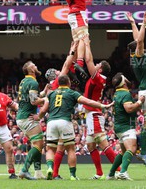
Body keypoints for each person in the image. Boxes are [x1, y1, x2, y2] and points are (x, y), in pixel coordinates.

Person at [34, 75, 113, 181]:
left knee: (50, 149)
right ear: (68, 83)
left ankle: (49, 168)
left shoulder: (51, 93)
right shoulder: (72, 93)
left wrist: (38, 117)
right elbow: (87, 101)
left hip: (51, 122)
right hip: (65, 121)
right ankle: (72, 175)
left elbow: (41, 106)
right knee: (70, 149)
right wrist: (102, 106)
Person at [125, 11, 146, 168]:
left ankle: (142, 146)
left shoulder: (135, 58)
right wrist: (144, 22)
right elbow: (139, 41)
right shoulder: (139, 56)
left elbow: (137, 40)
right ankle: (143, 151)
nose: (142, 46)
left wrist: (133, 23)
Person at [59, 0, 100, 83]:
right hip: (77, 13)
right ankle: (80, 63)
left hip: (76, 14)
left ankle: (71, 68)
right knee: (84, 38)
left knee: (77, 42)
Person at [81, 36, 116, 179]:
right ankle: (99, 173)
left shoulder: (97, 77)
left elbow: (88, 60)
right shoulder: (99, 79)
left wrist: (87, 45)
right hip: (90, 115)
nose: (94, 64)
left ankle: (119, 171)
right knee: (90, 146)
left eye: (97, 64)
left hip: (94, 115)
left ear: (100, 69)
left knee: (103, 144)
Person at [42, 42, 78, 180]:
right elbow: (66, 64)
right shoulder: (59, 82)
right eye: (56, 71)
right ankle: (70, 175)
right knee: (68, 148)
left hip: (52, 119)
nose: (58, 71)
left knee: (58, 148)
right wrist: (73, 50)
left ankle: (54, 173)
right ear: (54, 75)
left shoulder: (51, 88)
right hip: (63, 119)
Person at [106, 73, 145, 180]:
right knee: (131, 148)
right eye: (126, 78)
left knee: (123, 152)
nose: (128, 79)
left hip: (119, 126)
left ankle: (111, 174)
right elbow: (129, 109)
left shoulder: (117, 93)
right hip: (125, 126)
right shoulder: (125, 93)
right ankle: (123, 172)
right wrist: (139, 102)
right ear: (123, 83)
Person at [16, 61, 45, 180]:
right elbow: (34, 101)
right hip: (28, 117)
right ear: (31, 70)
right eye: (34, 65)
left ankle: (38, 173)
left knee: (36, 144)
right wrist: (48, 99)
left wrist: (44, 93)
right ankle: (24, 170)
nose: (36, 66)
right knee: (39, 143)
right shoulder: (33, 82)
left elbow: (30, 98)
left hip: (22, 116)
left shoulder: (24, 81)